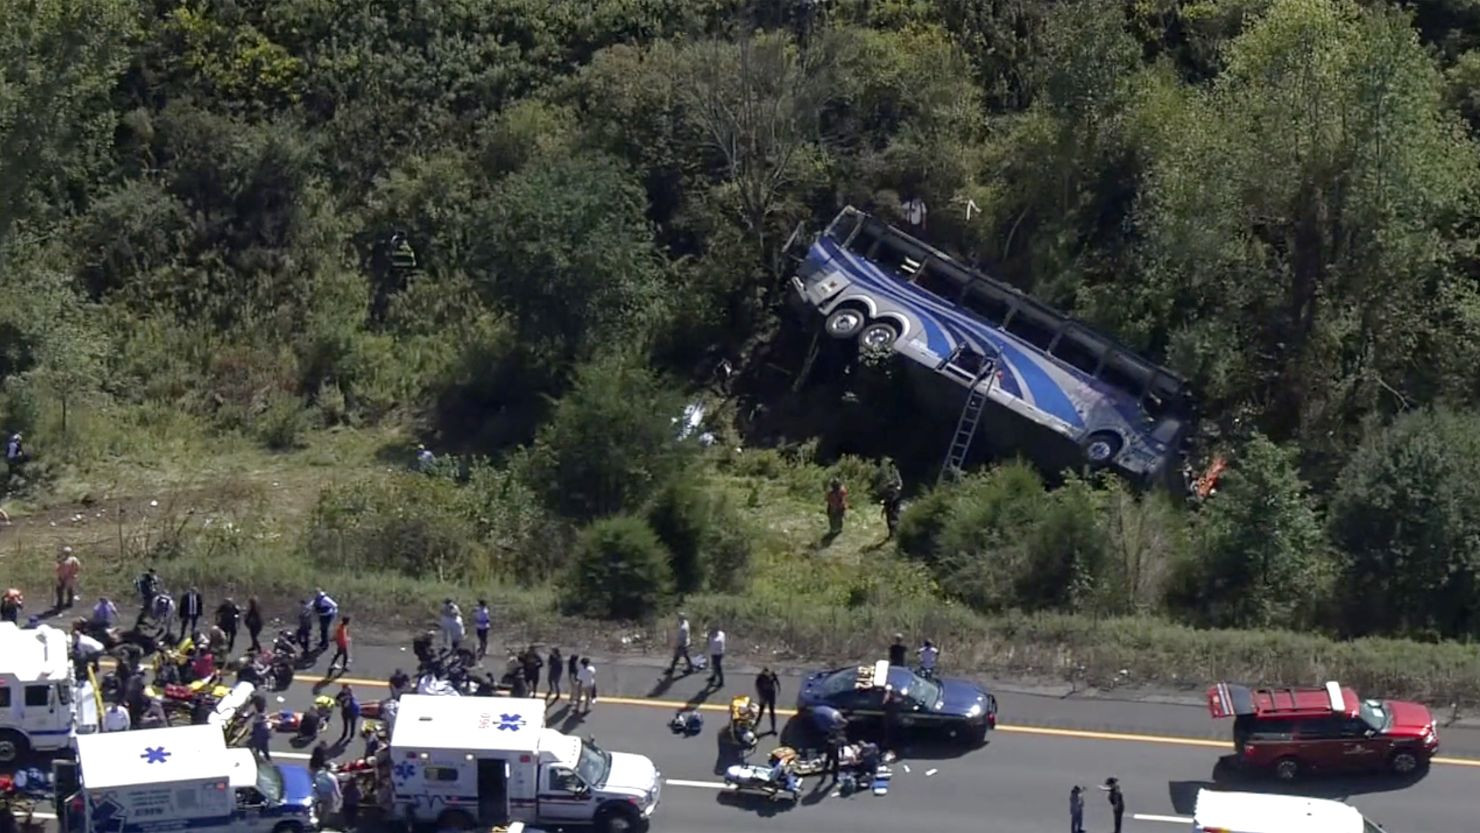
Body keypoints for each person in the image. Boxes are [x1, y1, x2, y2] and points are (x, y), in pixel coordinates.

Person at [754, 667, 779, 734]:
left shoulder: (768, 675)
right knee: (763, 712)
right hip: (766, 694)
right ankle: (756, 727)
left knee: (769, 712)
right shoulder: (762, 677)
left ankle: (772, 728)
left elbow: (777, 683)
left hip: (769, 694)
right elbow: (777, 684)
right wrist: (761, 696)